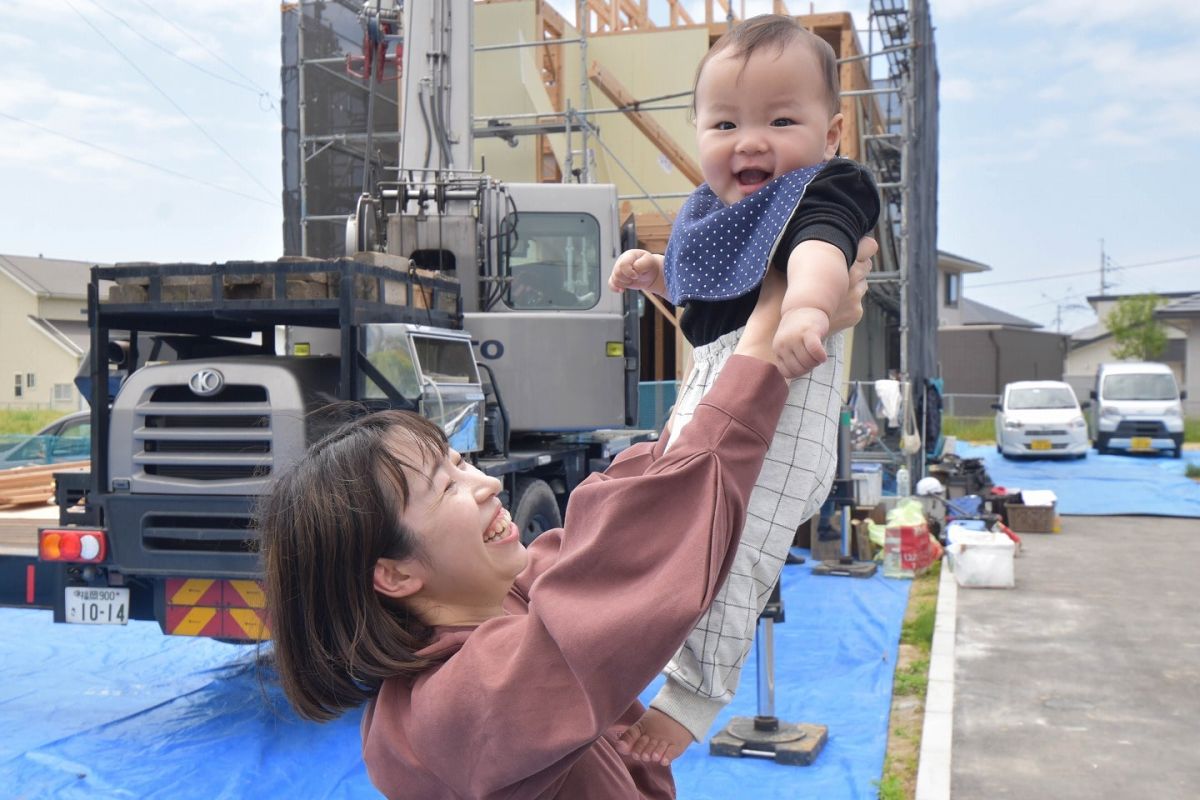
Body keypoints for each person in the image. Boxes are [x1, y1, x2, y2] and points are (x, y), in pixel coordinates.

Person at [259, 242, 874, 799]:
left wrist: (753, 331)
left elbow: (631, 506)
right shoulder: (457, 711)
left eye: (462, 463)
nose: (487, 484)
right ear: (392, 575)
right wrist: (772, 319)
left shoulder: (505, 604)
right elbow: (648, 543)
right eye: (446, 485)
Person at [608, 14, 880, 765]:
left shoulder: (825, 186)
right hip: (720, 388)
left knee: (735, 544)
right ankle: (638, 644)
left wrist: (805, 307)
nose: (751, 140)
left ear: (831, 133)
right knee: (658, 511)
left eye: (781, 119)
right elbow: (714, 307)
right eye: (725, 122)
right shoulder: (717, 215)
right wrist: (661, 276)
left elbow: (825, 248)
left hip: (785, 411)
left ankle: (695, 692)